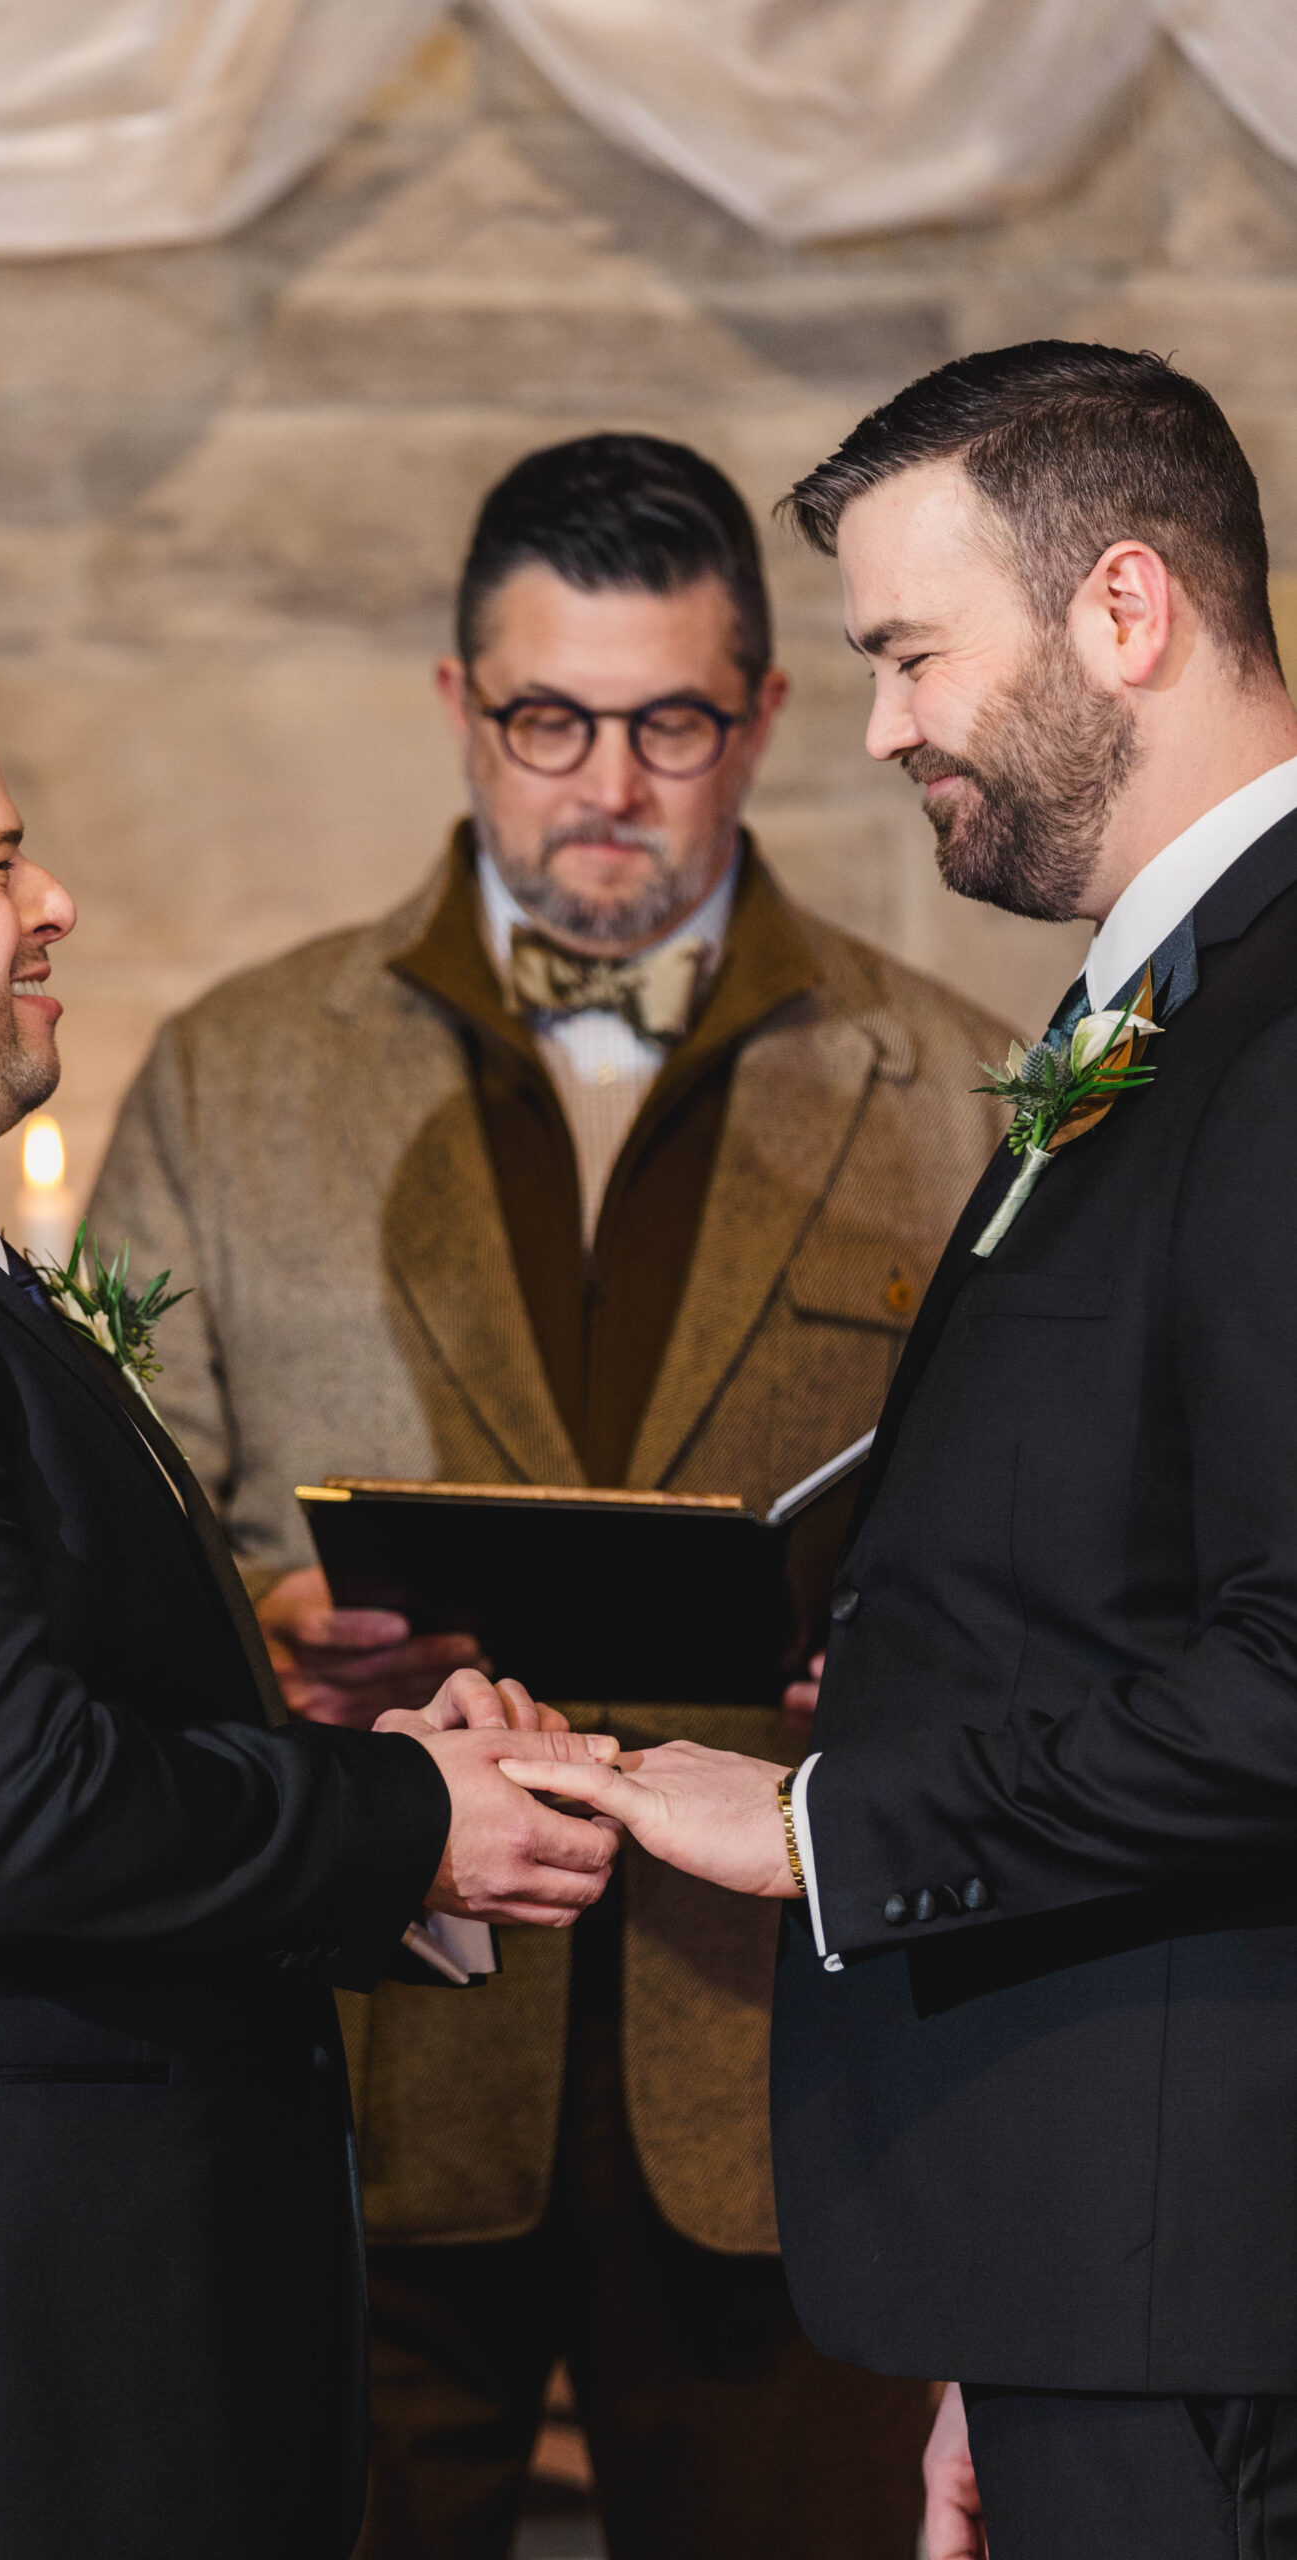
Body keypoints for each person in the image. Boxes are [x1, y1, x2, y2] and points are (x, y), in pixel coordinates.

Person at [0, 634, 621, 2560]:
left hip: (14, 2344)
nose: (56, 899)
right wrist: (406, 1826)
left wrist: (347, 1757)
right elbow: (3, 1811)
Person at [88, 432, 1012, 2560]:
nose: (606, 777)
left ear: (765, 719)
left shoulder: (952, 1085)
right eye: (546, 717)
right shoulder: (239, 1065)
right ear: (454, 707)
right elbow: (121, 1515)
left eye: (670, 719)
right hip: (369, 2036)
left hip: (783, 2068)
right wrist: (265, 1634)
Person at [511, 345, 1297, 2559]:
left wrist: (819, 1824)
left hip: (1209, 2282)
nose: (873, 725)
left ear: (1119, 612)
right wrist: (1006, 2308)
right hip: (1100, 2261)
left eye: (905, 651)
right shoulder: (1157, 998)